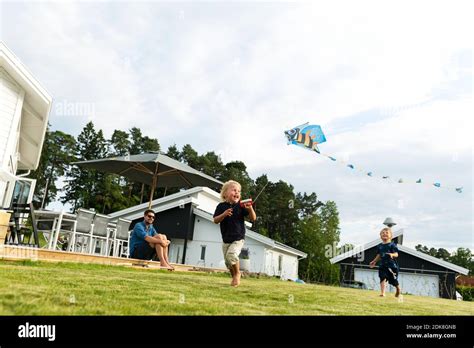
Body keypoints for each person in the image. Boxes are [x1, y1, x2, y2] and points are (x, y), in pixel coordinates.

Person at [213, 180, 256, 287]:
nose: (237, 192)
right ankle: (234, 279)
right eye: (234, 190)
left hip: (238, 238)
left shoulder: (241, 206)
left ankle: (237, 274)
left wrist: (250, 208)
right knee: (228, 262)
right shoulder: (221, 206)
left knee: (231, 256)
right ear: (225, 194)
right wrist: (224, 214)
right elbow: (215, 220)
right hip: (226, 239)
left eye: (239, 191)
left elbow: (253, 218)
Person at [369, 227, 401, 297]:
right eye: (383, 233)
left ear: (391, 236)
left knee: (393, 280)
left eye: (387, 233)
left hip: (392, 266)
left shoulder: (392, 245)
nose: (384, 234)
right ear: (380, 236)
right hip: (382, 265)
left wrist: (392, 254)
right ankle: (383, 293)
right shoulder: (379, 246)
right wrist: (374, 261)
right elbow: (379, 255)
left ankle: (398, 289)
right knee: (382, 277)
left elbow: (396, 254)